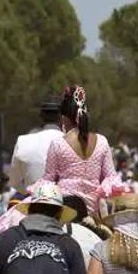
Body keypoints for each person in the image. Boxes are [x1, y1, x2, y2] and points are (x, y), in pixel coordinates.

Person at [41, 85, 117, 216]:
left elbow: (48, 180)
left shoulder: (58, 144)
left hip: (65, 211)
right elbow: (111, 177)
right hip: (93, 211)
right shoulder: (102, 142)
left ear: (63, 118)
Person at [8, 96, 65, 192]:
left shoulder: (23, 141)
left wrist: (30, 192)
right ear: (61, 117)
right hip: (65, 203)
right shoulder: (74, 143)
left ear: (41, 116)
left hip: (34, 202)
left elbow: (14, 182)